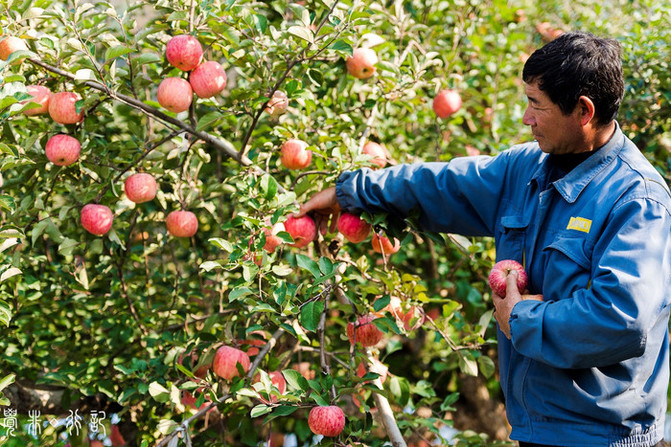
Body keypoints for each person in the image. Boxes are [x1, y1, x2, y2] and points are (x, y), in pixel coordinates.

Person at [297, 31, 671, 447]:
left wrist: (520, 320)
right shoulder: (524, 170)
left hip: (603, 436)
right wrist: (352, 192)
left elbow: (620, 318)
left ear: (583, 111)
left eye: (536, 105)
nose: (526, 118)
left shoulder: (637, 201)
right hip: (535, 428)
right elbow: (438, 185)